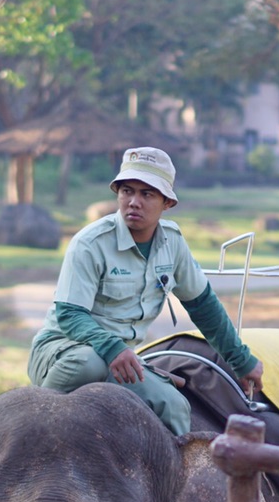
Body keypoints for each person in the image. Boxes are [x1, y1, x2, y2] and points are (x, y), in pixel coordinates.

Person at [28, 146, 263, 436]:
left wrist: (241, 360)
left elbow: (204, 307)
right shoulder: (90, 243)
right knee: (86, 363)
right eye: (127, 191)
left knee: (174, 406)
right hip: (64, 351)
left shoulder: (173, 243)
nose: (134, 202)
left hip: (120, 360)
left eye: (146, 194)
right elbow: (69, 314)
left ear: (167, 203)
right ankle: (30, 422)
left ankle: (176, 479)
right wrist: (114, 348)